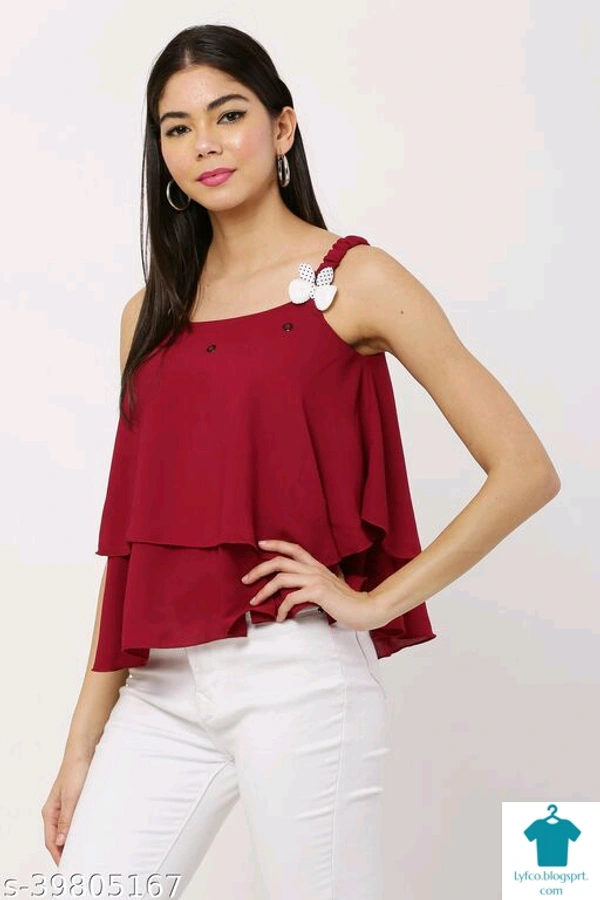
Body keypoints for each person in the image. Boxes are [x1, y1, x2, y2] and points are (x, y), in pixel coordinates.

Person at [41, 23, 561, 900]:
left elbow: (525, 469)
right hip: (160, 690)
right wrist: (81, 744)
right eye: (177, 127)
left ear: (282, 127)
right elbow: (132, 544)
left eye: (228, 115)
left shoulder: (356, 279)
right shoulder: (147, 317)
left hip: (299, 684)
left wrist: (374, 602)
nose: (204, 144)